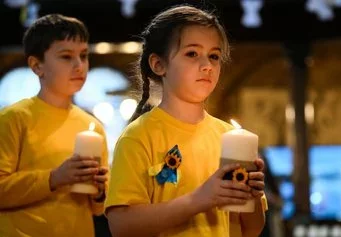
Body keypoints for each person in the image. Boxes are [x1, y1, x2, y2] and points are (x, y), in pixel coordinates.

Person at [105, 5, 267, 237]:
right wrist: (199, 199)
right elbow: (122, 226)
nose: (207, 66)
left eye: (214, 56)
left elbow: (251, 229)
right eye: (192, 53)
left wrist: (249, 195)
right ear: (158, 64)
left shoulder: (230, 138)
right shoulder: (139, 136)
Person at [0, 14, 109, 236]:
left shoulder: (92, 126)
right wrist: (54, 178)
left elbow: (98, 209)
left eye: (84, 55)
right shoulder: (14, 118)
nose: (79, 66)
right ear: (37, 65)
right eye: (66, 57)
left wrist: (100, 191)